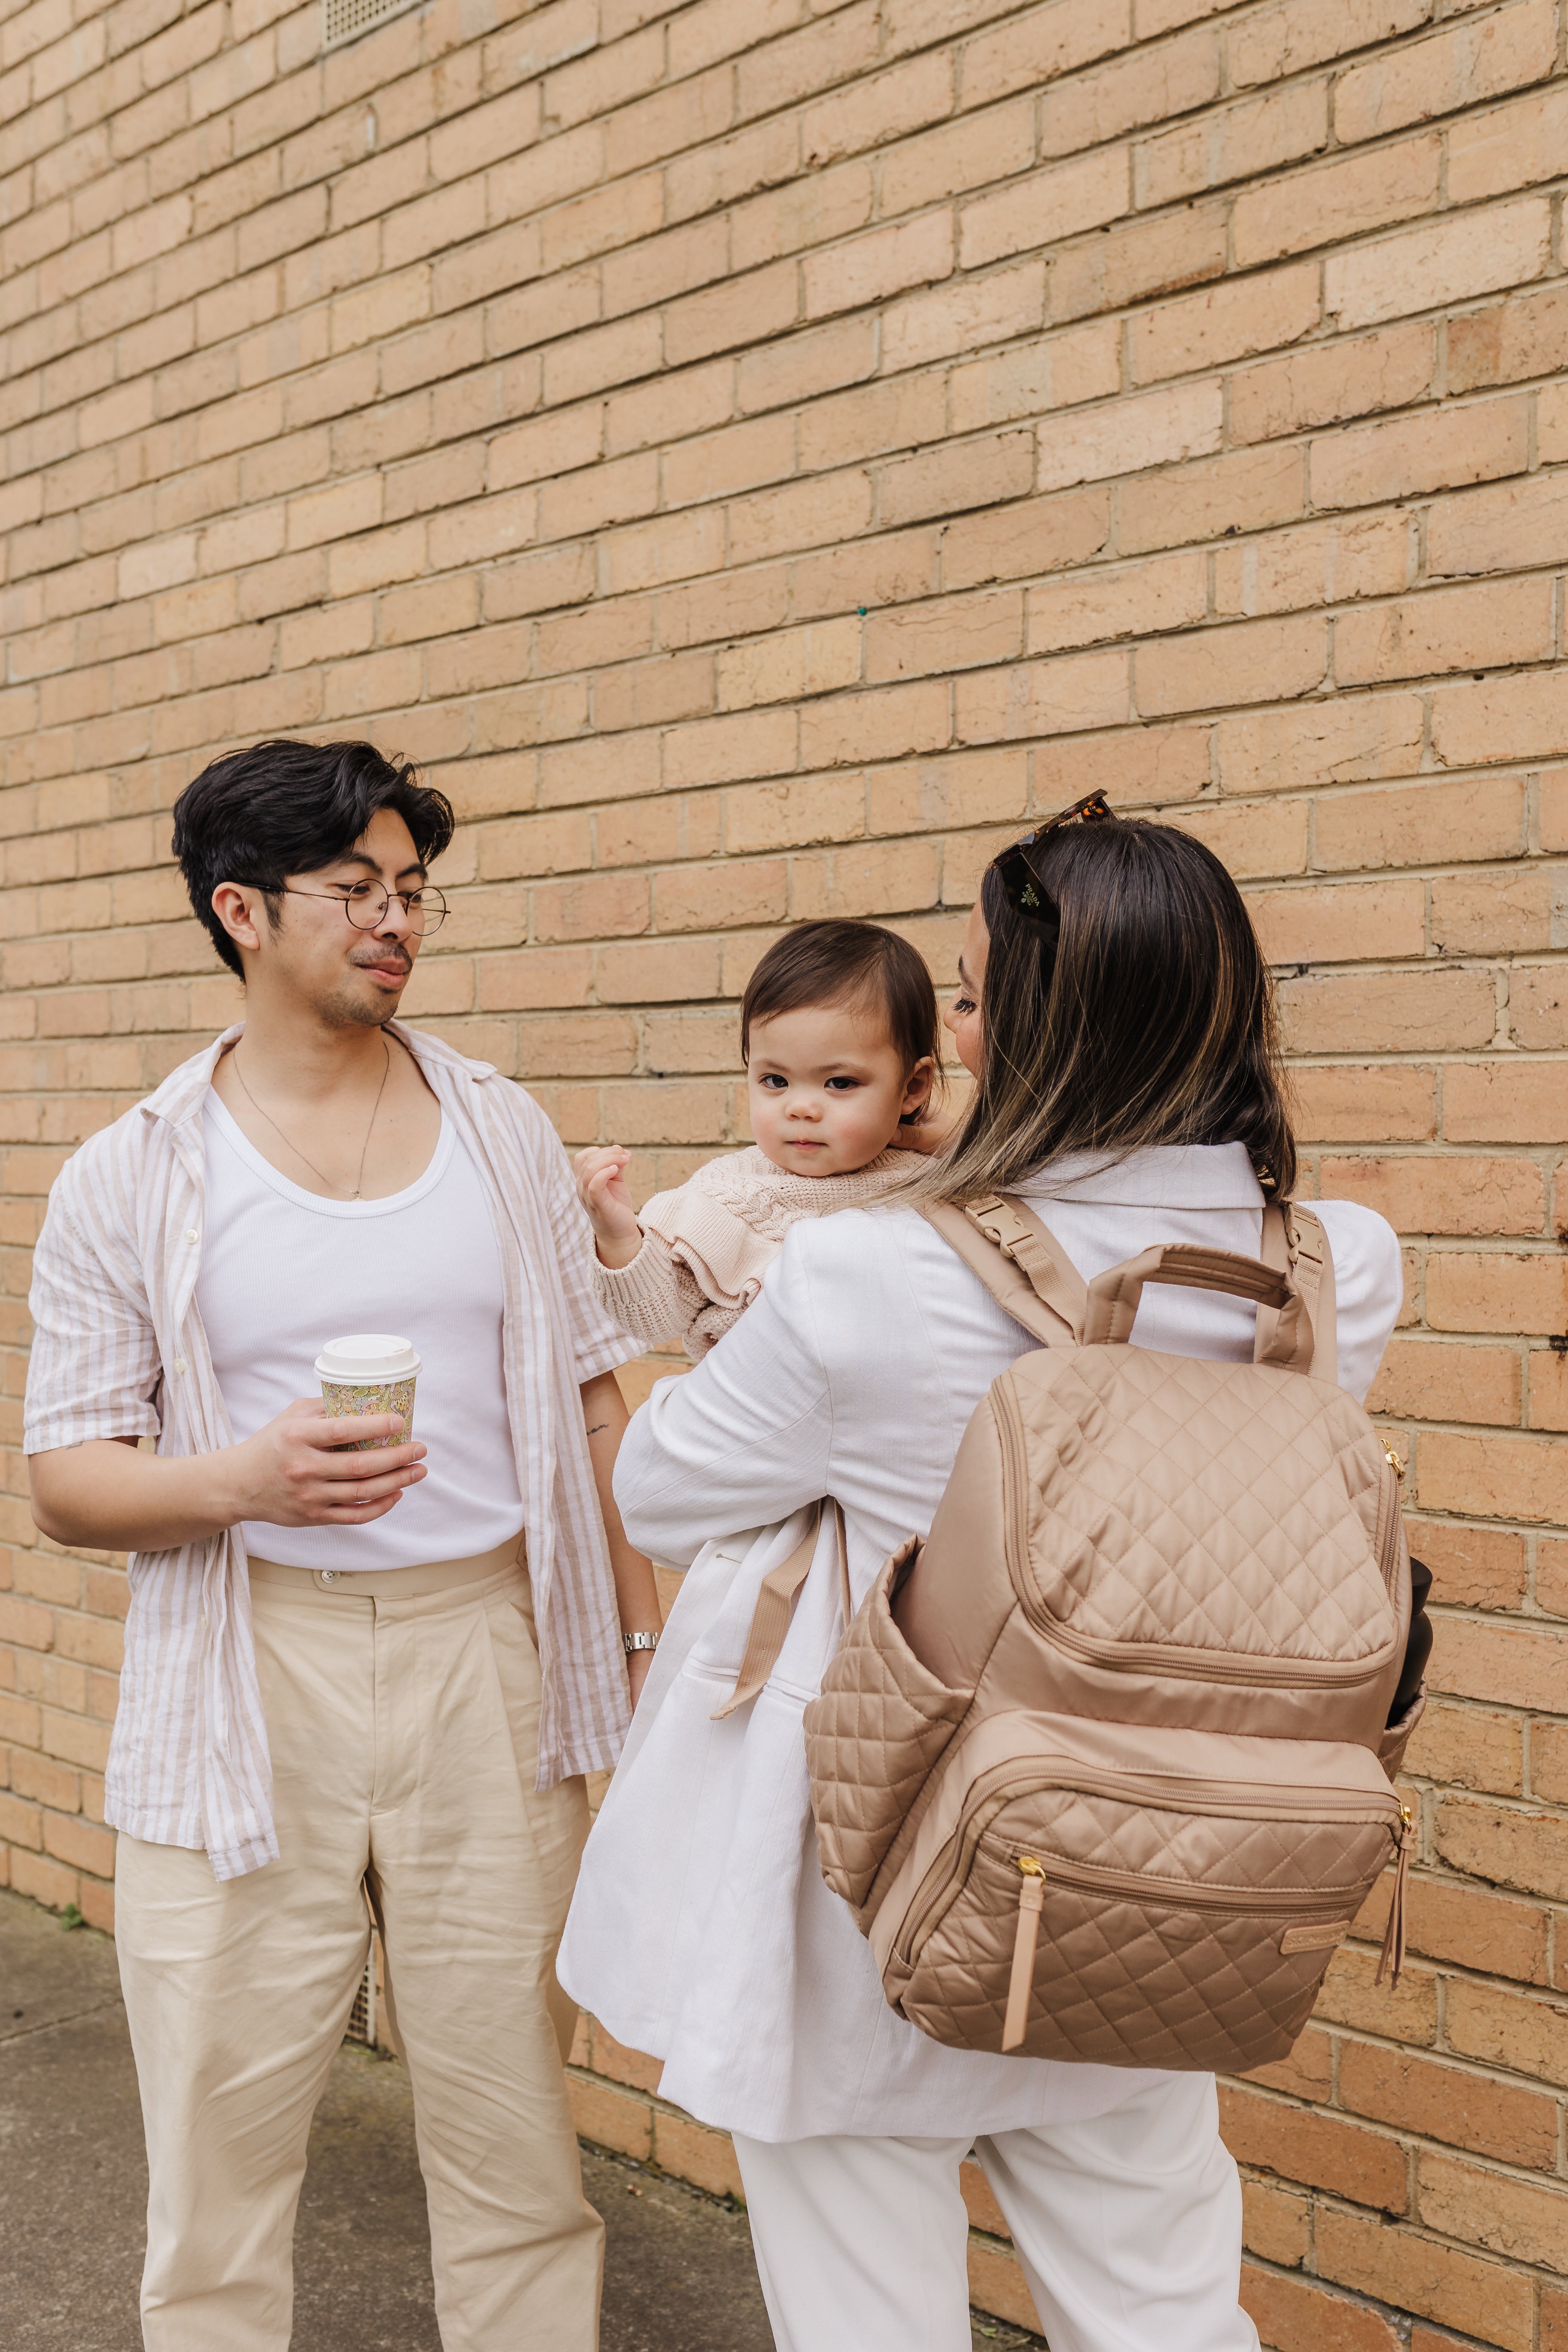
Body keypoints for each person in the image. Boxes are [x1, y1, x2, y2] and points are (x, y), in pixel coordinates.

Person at [559, 797, 1403, 2352]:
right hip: (1151, 1867)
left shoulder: (872, 1268)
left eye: (963, 991)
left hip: (873, 1878)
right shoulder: (1335, 1264)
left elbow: (666, 1494)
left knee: (868, 2319)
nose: (946, 1028)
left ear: (1034, 1021)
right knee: (1163, 2310)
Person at [23, 738, 661, 2352]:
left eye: (413, 891)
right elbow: (67, 1478)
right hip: (253, 1668)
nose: (398, 921)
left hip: (485, 1657)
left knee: (514, 2136)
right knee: (218, 2161)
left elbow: (595, 1405)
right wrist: (241, 1479)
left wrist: (645, 1660)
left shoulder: (501, 1125)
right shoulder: (137, 1169)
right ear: (240, 910)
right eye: (357, 890)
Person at [575, 918, 940, 1358]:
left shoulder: (940, 1184)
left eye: (840, 1083)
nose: (800, 1108)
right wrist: (618, 1240)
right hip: (760, 1415)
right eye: (775, 1080)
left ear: (913, 1087)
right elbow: (655, 1318)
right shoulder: (731, 1194)